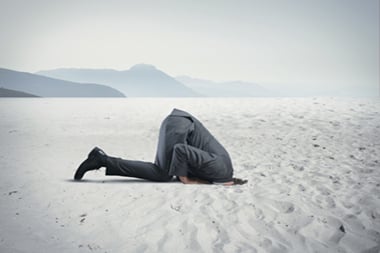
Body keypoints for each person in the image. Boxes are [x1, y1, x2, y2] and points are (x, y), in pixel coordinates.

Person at [74, 108, 247, 185]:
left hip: (178, 123)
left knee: (164, 172)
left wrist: (190, 177)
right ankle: (101, 159)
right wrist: (186, 179)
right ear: (228, 182)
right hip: (180, 125)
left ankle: (102, 159)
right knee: (163, 174)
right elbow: (181, 149)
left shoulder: (218, 172)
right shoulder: (219, 169)